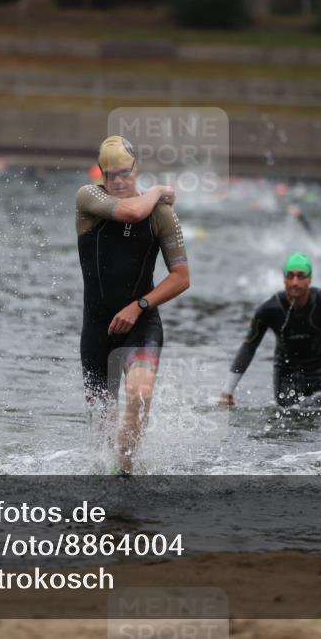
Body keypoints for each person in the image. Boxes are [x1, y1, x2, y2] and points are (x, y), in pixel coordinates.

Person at [76, 136, 190, 474]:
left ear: (135, 169)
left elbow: (181, 277)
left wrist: (139, 305)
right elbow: (132, 211)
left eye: (125, 173)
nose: (119, 181)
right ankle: (110, 478)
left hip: (141, 323)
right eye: (111, 175)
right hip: (97, 330)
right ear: (102, 174)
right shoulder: (89, 198)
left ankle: (127, 473)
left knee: (140, 395)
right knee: (102, 435)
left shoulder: (162, 215)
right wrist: (158, 190)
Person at [219, 253, 321, 408]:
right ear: (284, 279)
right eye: (290, 276)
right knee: (288, 417)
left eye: (301, 276)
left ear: (310, 279)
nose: (295, 282)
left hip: (320, 372)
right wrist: (227, 391)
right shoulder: (269, 309)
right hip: (286, 374)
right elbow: (249, 346)